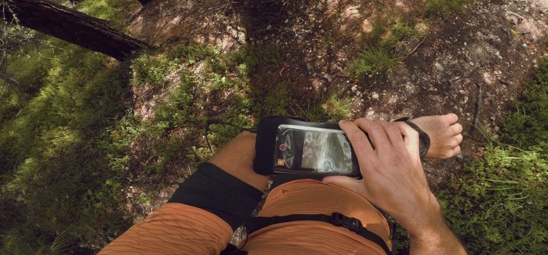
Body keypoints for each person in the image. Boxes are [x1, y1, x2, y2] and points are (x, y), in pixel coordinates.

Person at [100, 114, 466, 254]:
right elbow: (256, 146)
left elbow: (252, 150)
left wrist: (404, 143)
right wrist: (422, 215)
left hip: (294, 193)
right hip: (363, 211)